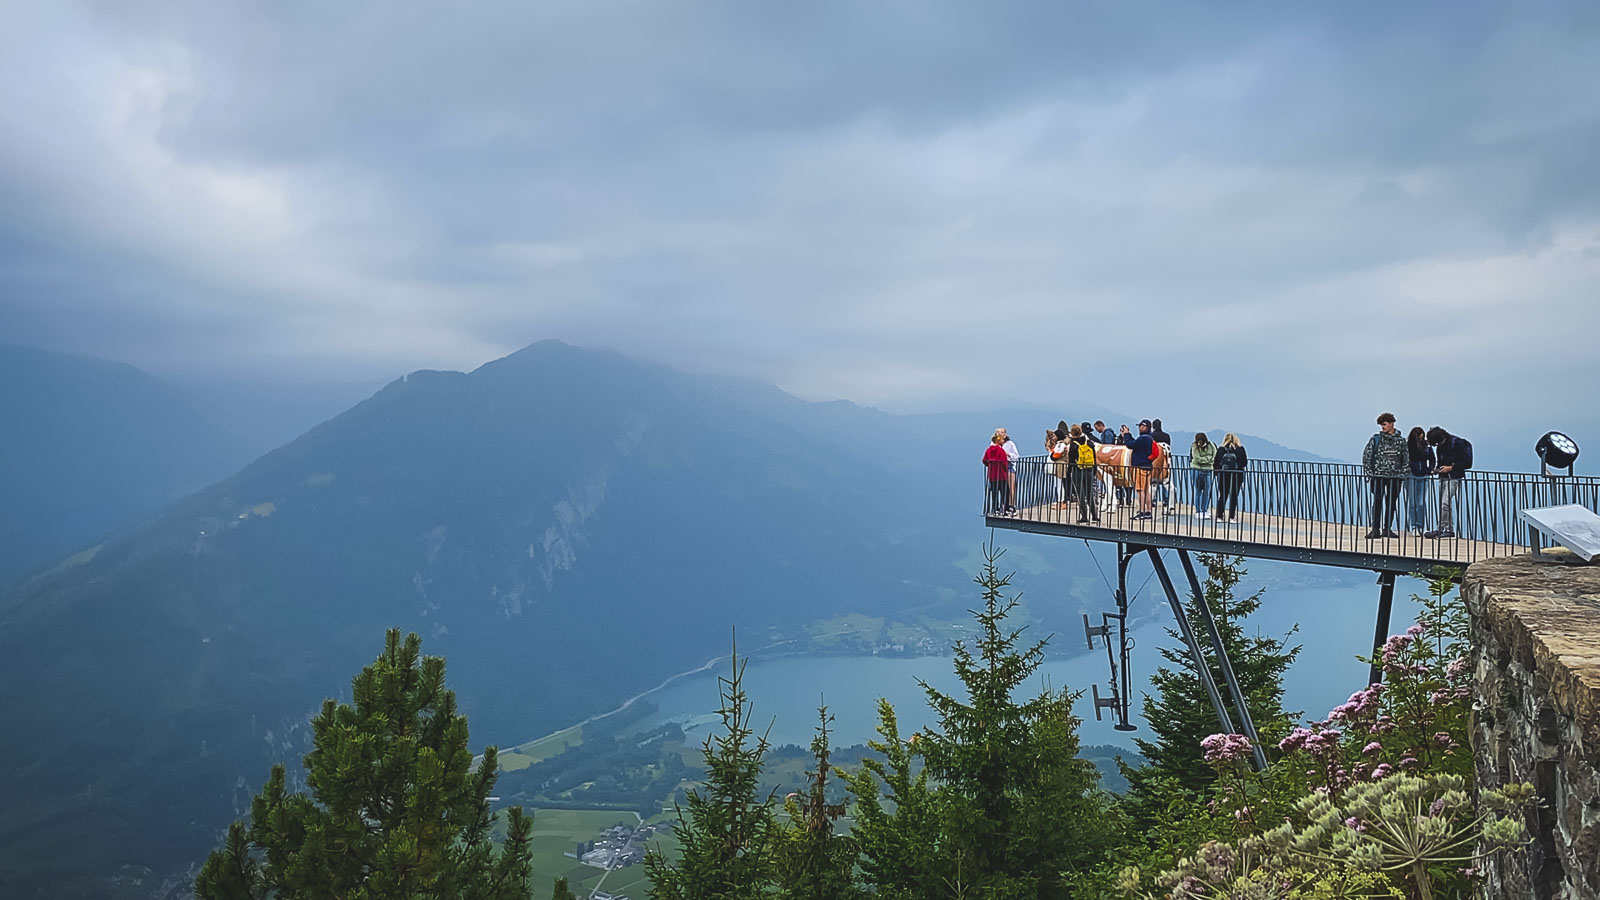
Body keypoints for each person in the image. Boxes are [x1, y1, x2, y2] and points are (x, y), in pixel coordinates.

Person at [1361, 412, 1409, 540]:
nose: (1382, 427)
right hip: (1378, 476)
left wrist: (1402, 474)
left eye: (1384, 424)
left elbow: (1406, 459)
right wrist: (1370, 472)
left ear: (1391, 423)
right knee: (1377, 501)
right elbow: (1367, 456)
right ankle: (1375, 529)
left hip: (1395, 477)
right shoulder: (1376, 439)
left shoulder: (1401, 441)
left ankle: (1387, 528)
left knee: (1391, 502)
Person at [1425, 426, 1472, 539]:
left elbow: (1468, 463)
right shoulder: (1442, 445)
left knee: (1445, 503)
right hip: (1443, 477)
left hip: (1454, 477)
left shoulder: (1458, 443)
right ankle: (1444, 528)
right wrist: (1437, 469)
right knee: (1444, 503)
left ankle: (1446, 529)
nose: (1437, 445)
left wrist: (1451, 467)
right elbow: (1441, 461)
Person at [1405, 426, 1435, 534]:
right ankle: (1414, 526)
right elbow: (1404, 460)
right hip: (1411, 475)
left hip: (1423, 476)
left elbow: (1432, 459)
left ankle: (1420, 526)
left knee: (1421, 503)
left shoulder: (1427, 447)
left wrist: (1430, 469)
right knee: (1413, 503)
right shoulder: (1408, 447)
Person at [1069, 424, 1101, 524]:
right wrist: (1094, 469)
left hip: (1077, 470)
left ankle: (1084, 516)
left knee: (1080, 494)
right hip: (1089, 469)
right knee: (1089, 493)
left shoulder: (1074, 444)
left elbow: (1071, 460)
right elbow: (1094, 457)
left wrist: (1069, 471)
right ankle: (1095, 515)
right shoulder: (1089, 442)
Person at [1126, 419, 1157, 520]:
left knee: (1140, 490)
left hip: (1140, 466)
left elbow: (1131, 445)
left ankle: (1142, 511)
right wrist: (1129, 435)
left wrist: (1126, 435)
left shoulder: (1143, 438)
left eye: (1140, 426)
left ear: (1145, 427)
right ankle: (1148, 511)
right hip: (1148, 466)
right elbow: (1134, 442)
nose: (1139, 428)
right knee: (1147, 489)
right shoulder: (1149, 438)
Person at [1214, 433, 1248, 521]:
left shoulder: (1221, 449)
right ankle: (1232, 516)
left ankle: (1219, 516)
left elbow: (1216, 462)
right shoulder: (1240, 449)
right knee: (1233, 496)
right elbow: (1244, 462)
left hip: (1223, 475)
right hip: (1237, 475)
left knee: (1223, 496)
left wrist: (1217, 473)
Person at [1190, 432, 1216, 519]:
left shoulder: (1211, 445)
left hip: (1208, 470)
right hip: (1196, 469)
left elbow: (1214, 455)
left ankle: (1204, 509)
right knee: (1198, 490)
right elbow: (1197, 458)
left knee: (1206, 491)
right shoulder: (1194, 446)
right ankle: (1198, 510)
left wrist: (1206, 459)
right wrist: (1208, 459)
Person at [983, 432, 1011, 515]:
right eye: (1002, 440)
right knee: (1004, 492)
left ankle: (995, 508)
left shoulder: (988, 450)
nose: (1003, 442)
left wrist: (989, 465)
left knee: (994, 492)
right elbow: (1004, 462)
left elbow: (984, 460)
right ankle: (1005, 508)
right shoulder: (1000, 450)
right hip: (1001, 475)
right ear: (999, 441)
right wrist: (1005, 471)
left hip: (992, 475)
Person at [1047, 424, 1073, 509]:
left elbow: (1056, 455)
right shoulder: (1060, 444)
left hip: (1060, 465)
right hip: (1060, 464)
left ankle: (1062, 501)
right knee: (1060, 483)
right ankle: (1061, 501)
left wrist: (1052, 455)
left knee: (1060, 484)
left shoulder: (1061, 445)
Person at [1150, 418, 1173, 512]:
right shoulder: (1166, 436)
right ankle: (1166, 500)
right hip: (1166, 459)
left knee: (1154, 481)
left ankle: (1153, 500)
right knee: (1165, 480)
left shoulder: (1151, 436)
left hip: (1155, 460)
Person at [998, 427, 1020, 513]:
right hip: (1000, 467)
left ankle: (1012, 504)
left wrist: (1008, 454)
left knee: (1011, 486)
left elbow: (1016, 456)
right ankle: (1003, 504)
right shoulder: (995, 444)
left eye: (1002, 433)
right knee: (1002, 487)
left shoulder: (1010, 444)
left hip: (1009, 466)